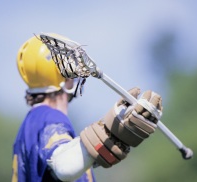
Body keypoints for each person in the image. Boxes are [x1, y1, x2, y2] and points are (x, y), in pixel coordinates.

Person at [11, 35, 163, 182]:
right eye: (70, 67)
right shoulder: (50, 117)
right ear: (63, 75)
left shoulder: (33, 122)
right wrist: (111, 134)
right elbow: (64, 168)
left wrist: (100, 148)